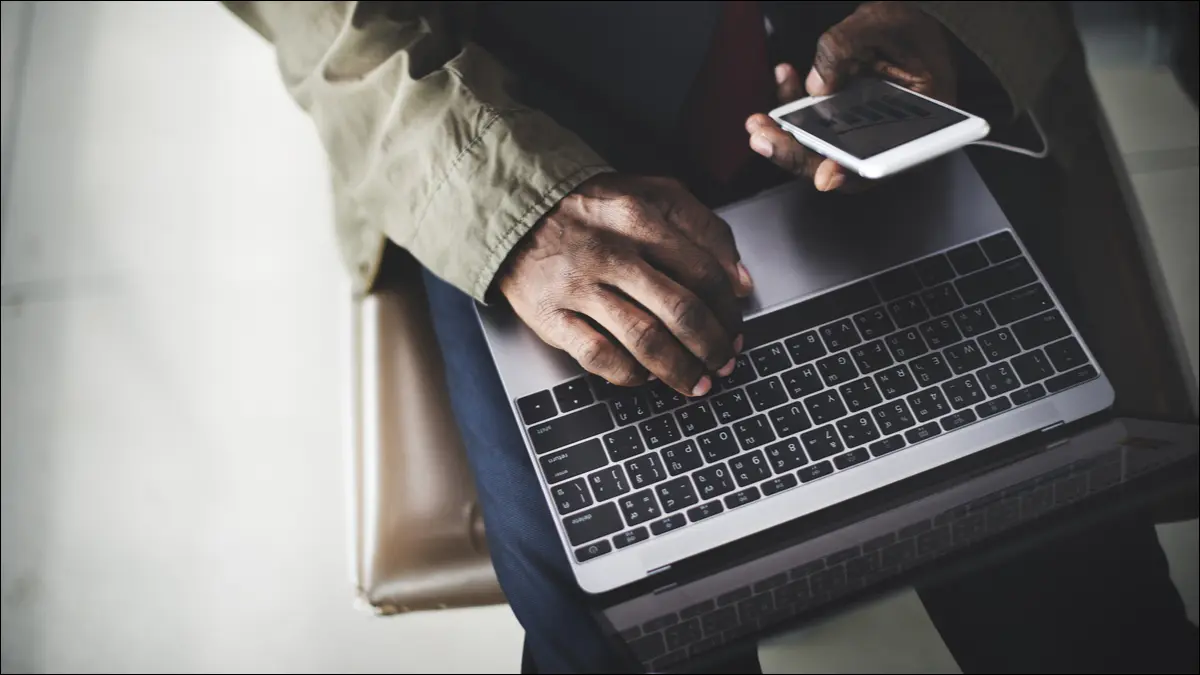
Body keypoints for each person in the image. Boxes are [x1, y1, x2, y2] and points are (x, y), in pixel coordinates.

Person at [222, 2, 1197, 672]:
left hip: (848, 46)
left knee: (1044, 509)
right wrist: (507, 207)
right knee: (626, 602)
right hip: (499, 97)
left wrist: (945, 18)